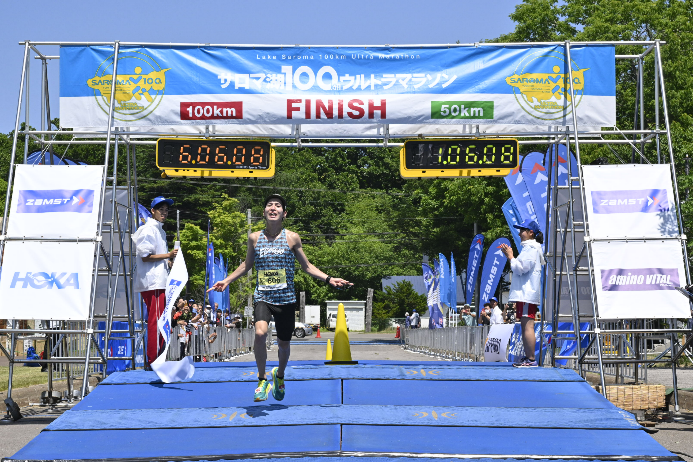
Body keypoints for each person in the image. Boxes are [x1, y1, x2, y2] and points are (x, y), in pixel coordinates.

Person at [209, 194, 352, 402]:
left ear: (284, 213)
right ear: (264, 212)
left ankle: (280, 376)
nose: (273, 208)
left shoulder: (292, 237)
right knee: (260, 333)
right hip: (263, 297)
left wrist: (329, 278)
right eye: (269, 205)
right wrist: (227, 280)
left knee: (283, 345)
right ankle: (261, 379)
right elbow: (246, 265)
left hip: (286, 300)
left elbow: (307, 266)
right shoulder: (254, 238)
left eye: (278, 206)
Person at [132, 196, 178, 368]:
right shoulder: (147, 229)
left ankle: (156, 356)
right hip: (153, 282)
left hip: (159, 280)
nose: (164, 213)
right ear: (152, 211)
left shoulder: (160, 230)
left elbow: (155, 256)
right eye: (161, 210)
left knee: (159, 319)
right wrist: (167, 256)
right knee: (155, 320)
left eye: (166, 210)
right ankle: (152, 359)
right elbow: (145, 256)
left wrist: (168, 261)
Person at [500, 218, 545, 368]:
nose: (520, 233)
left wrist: (511, 257)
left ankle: (531, 359)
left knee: (527, 325)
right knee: (526, 324)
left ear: (531, 233)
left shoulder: (531, 248)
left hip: (527, 293)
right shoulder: (530, 247)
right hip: (526, 293)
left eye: (522, 230)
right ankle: (529, 358)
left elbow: (521, 268)